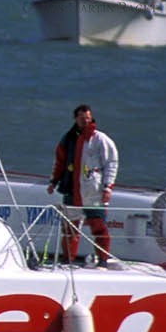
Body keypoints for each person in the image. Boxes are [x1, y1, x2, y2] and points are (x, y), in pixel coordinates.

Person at [47, 104, 119, 265]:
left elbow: (111, 164)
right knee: (69, 229)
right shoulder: (67, 139)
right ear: (76, 119)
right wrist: (53, 181)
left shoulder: (101, 140)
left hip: (93, 191)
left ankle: (102, 260)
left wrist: (108, 187)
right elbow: (59, 162)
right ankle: (68, 260)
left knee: (98, 226)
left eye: (88, 118)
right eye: (82, 118)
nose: (85, 121)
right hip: (71, 190)